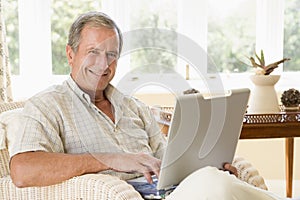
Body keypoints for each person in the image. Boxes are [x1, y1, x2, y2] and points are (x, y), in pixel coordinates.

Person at [9, 11, 284, 200]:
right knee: (217, 186)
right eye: (92, 52)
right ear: (70, 54)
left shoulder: (134, 107)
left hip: (170, 192)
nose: (103, 65)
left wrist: (206, 166)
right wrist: (108, 159)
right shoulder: (47, 105)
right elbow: (22, 171)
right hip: (122, 193)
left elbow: (168, 163)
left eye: (111, 55)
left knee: (219, 180)